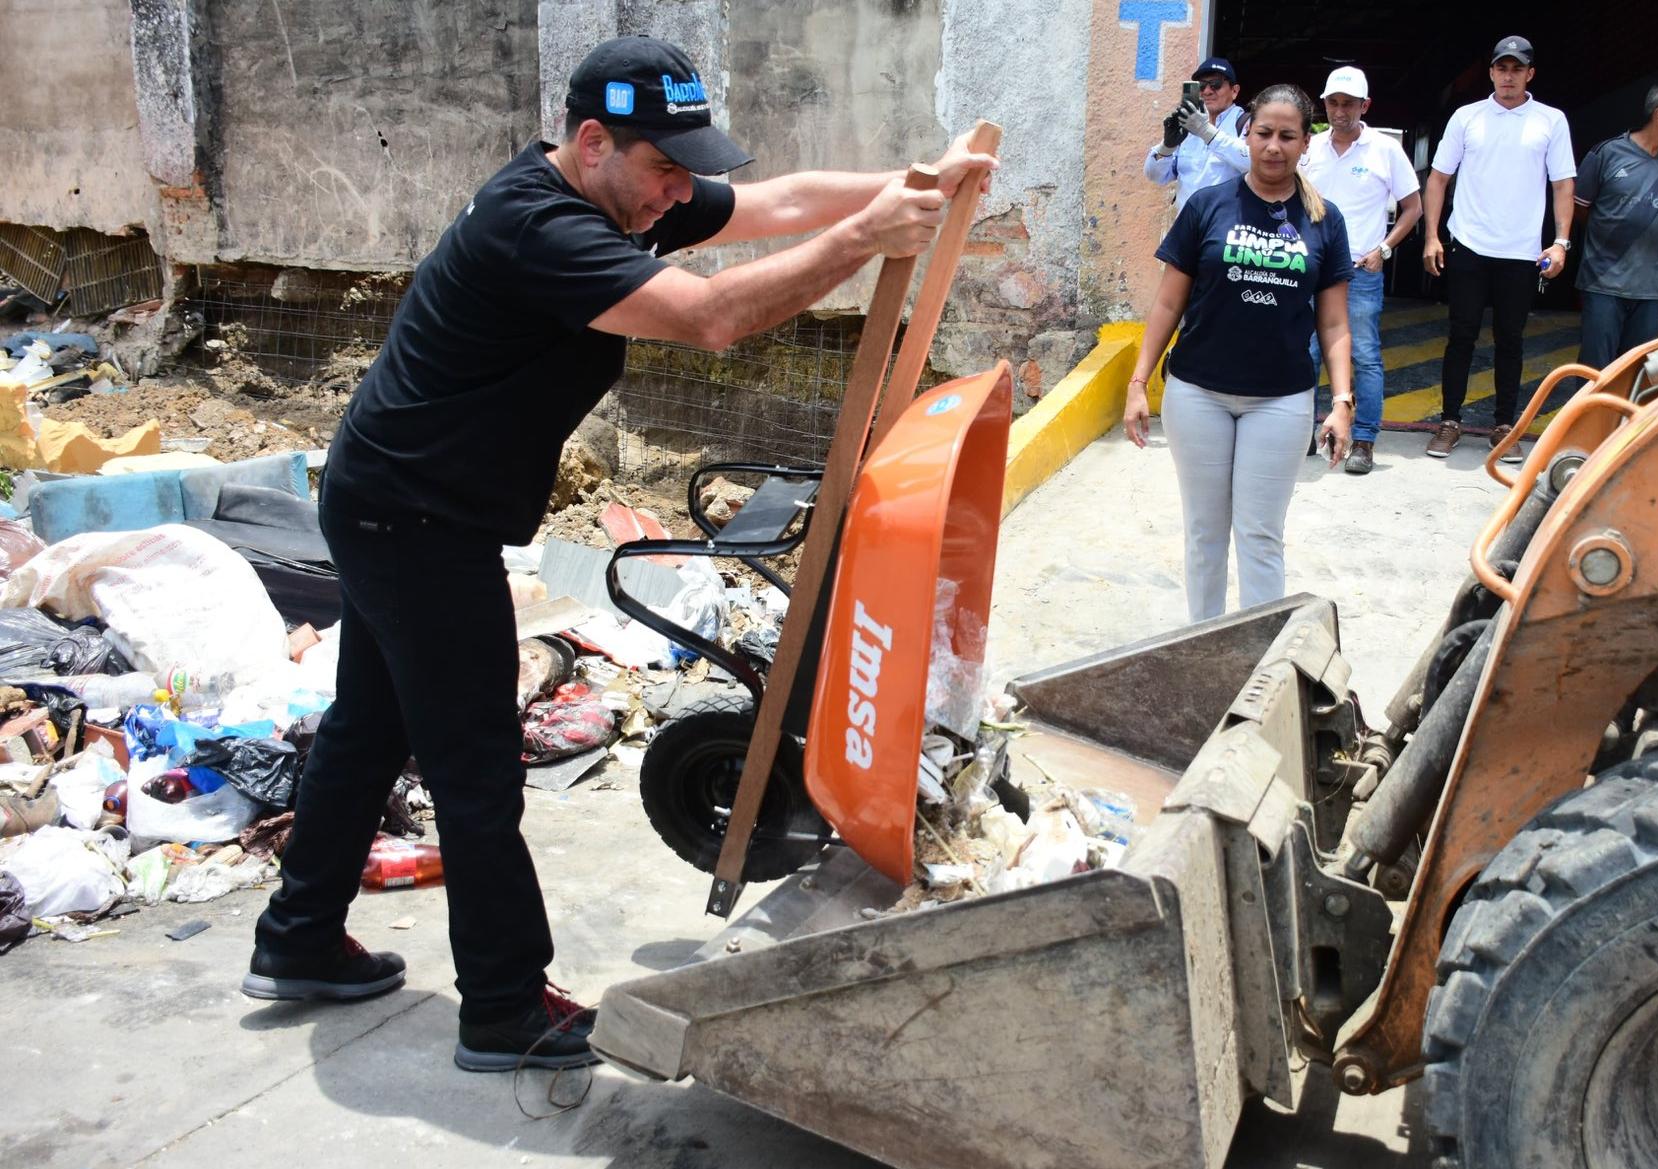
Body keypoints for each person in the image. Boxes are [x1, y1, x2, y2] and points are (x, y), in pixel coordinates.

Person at [240, 35, 995, 1073]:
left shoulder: (619, 191)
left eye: (687, 171)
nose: (676, 194)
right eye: (662, 170)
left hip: (393, 494)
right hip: (415, 519)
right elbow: (715, 315)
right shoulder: (538, 227)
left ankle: (297, 937)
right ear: (592, 142)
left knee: (369, 726)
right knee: (472, 765)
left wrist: (912, 183)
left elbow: (774, 203)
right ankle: (503, 1005)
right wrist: (870, 234)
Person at [1124, 84, 1355, 623]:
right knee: (1205, 532)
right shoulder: (1208, 205)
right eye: (1264, 133)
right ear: (1245, 134)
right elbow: (1166, 303)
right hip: (1197, 393)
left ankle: (1258, 662)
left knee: (1259, 535)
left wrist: (1342, 401)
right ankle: (1202, 648)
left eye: (1288, 136)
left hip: (1280, 401)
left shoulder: (1325, 220)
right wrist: (1139, 383)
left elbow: (1335, 321)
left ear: (1305, 144)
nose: (1273, 146)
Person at [1420, 35, 1575, 464]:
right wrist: (1432, 235)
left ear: (1530, 74)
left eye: (1517, 69)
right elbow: (1437, 178)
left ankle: (1504, 427)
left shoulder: (1550, 121)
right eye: (1501, 68)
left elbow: (1563, 184)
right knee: (1461, 335)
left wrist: (1560, 242)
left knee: (1511, 339)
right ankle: (1449, 422)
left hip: (1522, 251)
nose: (1508, 76)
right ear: (1491, 72)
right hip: (1469, 244)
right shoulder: (1467, 118)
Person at [1302, 65, 1421, 475]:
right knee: (1307, 351)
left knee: (1365, 356)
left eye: (1348, 103)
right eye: (1333, 102)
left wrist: (1383, 250)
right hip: (1311, 271)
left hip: (1359, 270)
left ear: (1364, 105)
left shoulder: (1385, 150)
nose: (1340, 111)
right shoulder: (1311, 149)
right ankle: (1304, 432)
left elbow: (1413, 207)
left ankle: (1364, 439)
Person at [1571, 82, 1658, 379]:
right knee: (1594, 371)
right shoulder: (1606, 154)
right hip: (1603, 281)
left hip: (1651, 286)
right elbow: (1579, 207)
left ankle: (1627, 426)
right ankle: (1587, 426)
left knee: (1637, 373)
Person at [1143, 57, 1253, 212]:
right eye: (1201, 86)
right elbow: (1155, 176)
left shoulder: (1246, 123)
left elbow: (1255, 163)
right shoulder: (1189, 126)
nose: (1207, 91)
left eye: (1216, 84)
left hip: (1224, 229)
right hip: (1188, 227)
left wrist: (1205, 132)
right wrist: (1166, 147)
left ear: (1234, 91)